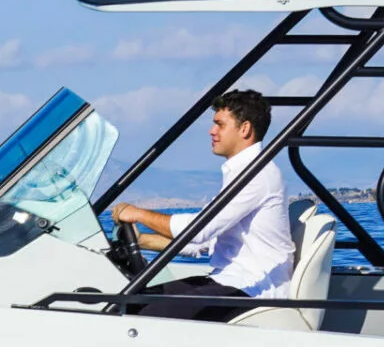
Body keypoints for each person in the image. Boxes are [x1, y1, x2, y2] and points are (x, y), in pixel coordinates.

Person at [109, 89, 294, 321]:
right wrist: (141, 240)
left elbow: (199, 230)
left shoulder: (257, 175)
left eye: (220, 124)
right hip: (229, 281)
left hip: (253, 291)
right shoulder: (242, 173)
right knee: (134, 302)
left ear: (244, 129)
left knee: (146, 314)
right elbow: (203, 243)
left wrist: (138, 214)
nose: (211, 131)